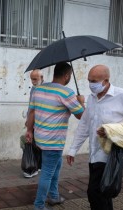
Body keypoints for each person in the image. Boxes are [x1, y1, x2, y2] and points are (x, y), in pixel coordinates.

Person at [66, 64, 123, 210]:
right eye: (89, 80)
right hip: (94, 154)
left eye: (94, 81)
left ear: (106, 80)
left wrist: (111, 130)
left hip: (112, 154)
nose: (91, 84)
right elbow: (84, 124)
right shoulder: (91, 98)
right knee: (104, 192)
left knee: (95, 193)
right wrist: (73, 149)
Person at [26, 62, 85, 210]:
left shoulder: (38, 89)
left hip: (40, 137)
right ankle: (39, 205)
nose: (70, 78)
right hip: (53, 141)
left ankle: (54, 196)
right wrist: (81, 102)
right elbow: (82, 116)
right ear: (66, 75)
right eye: (70, 75)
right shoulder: (66, 93)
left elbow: (31, 112)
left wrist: (29, 130)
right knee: (47, 172)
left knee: (56, 165)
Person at [23, 69, 44, 178]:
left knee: (38, 144)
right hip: (33, 120)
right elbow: (31, 106)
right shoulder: (33, 89)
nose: (33, 81)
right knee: (32, 142)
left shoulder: (45, 89)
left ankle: (36, 166)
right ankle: (34, 166)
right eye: (31, 79)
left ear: (42, 78)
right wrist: (28, 119)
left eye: (35, 79)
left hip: (41, 121)